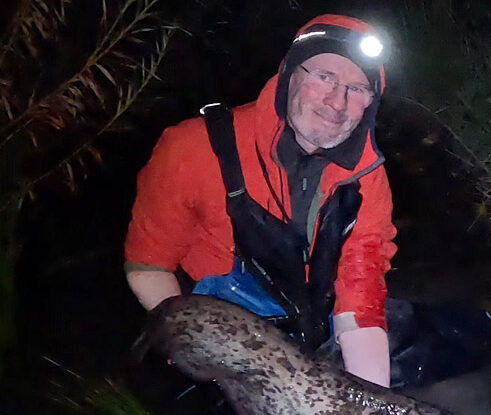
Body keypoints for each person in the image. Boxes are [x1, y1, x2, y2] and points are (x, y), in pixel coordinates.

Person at [124, 14, 395, 387]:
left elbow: (359, 290)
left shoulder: (367, 174)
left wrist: (371, 399)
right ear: (289, 75)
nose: (337, 102)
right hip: (212, 329)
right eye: (324, 77)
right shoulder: (191, 147)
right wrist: (202, 353)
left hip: (311, 323)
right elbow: (147, 266)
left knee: (434, 342)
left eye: (358, 88)